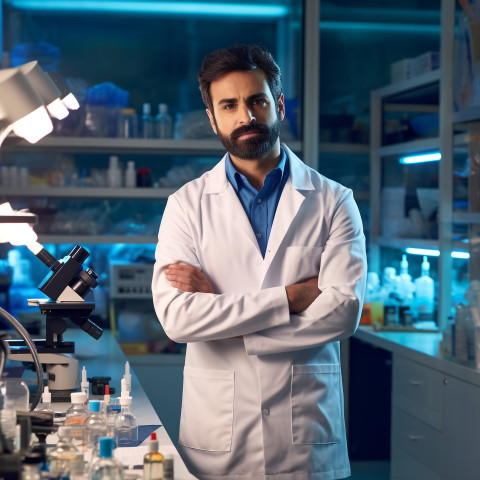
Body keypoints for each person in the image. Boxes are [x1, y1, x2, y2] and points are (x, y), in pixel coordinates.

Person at [152, 44, 367, 480]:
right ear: (212, 118)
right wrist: (292, 297)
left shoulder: (333, 201)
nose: (245, 116)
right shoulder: (186, 205)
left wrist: (225, 316)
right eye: (228, 105)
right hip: (220, 437)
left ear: (279, 105)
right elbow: (178, 320)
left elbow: (343, 314)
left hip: (304, 437)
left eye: (257, 101)